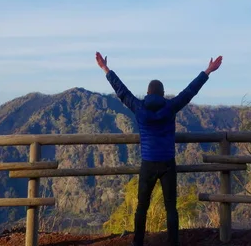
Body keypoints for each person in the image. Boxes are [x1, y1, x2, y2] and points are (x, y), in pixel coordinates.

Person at [95, 52, 223, 246]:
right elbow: (190, 91)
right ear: (163, 94)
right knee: (171, 208)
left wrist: (105, 68)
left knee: (141, 207)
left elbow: (121, 91)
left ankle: (138, 242)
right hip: (167, 163)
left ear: (147, 93)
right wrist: (208, 71)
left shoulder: (138, 107)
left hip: (147, 163)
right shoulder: (170, 107)